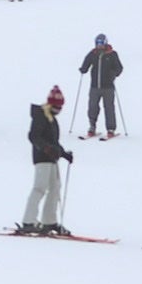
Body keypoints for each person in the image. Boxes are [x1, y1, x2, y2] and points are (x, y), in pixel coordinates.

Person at [16, 86, 74, 235]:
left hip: (52, 159)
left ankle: (49, 221)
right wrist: (46, 149)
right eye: (57, 106)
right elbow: (34, 136)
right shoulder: (40, 116)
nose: (60, 109)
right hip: (42, 158)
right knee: (39, 188)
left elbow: (53, 141)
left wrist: (63, 153)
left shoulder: (52, 119)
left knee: (55, 188)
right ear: (51, 104)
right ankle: (28, 221)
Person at [78, 34, 124, 138]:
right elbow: (86, 63)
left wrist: (114, 74)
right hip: (95, 86)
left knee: (109, 108)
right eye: (97, 43)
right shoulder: (93, 53)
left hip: (108, 87)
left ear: (105, 43)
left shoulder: (112, 54)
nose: (99, 45)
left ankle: (111, 129)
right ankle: (92, 126)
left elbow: (119, 68)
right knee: (92, 107)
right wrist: (83, 69)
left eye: (101, 43)